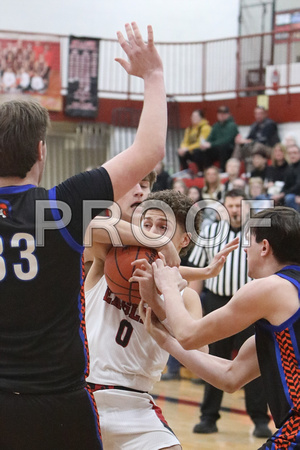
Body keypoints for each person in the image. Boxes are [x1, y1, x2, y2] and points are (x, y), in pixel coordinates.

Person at [0, 22, 169, 450]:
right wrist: (152, 76)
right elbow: (148, 152)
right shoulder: (59, 207)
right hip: (60, 402)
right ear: (42, 151)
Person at [143, 206, 300, 450]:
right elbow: (231, 376)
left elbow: (188, 335)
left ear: (265, 248)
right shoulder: (283, 313)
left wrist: (169, 286)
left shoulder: (271, 288)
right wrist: (165, 341)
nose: (246, 249)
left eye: (250, 242)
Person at [84, 188, 205, 450]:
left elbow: (201, 355)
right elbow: (92, 226)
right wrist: (159, 241)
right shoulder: (108, 260)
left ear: (184, 240)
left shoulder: (185, 296)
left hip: (135, 403)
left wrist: (159, 306)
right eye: (145, 224)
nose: (151, 231)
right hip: (80, 395)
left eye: (162, 227)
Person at [186, 189, 272, 438]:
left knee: (253, 363)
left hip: (249, 304)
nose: (234, 210)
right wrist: (197, 309)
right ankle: (208, 416)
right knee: (213, 360)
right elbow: (200, 270)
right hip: (216, 302)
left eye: (238, 206)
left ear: (246, 208)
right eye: (230, 205)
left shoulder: (258, 234)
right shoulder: (211, 232)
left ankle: (259, 420)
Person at [234, 106, 280, 173]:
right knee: (239, 145)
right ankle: (233, 164)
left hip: (270, 148)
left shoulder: (270, 124)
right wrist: (241, 140)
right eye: (256, 114)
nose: (258, 116)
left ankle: (251, 171)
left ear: (265, 114)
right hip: (255, 147)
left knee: (257, 146)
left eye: (260, 113)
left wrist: (249, 141)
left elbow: (263, 140)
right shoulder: (254, 125)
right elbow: (249, 138)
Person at [200, 105, 239, 172]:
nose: (221, 115)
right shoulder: (216, 125)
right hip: (217, 149)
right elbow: (210, 137)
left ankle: (223, 170)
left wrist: (211, 144)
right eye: (219, 113)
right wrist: (205, 143)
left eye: (224, 113)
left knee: (223, 147)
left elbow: (226, 140)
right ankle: (206, 171)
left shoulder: (232, 125)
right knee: (202, 151)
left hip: (229, 150)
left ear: (228, 114)